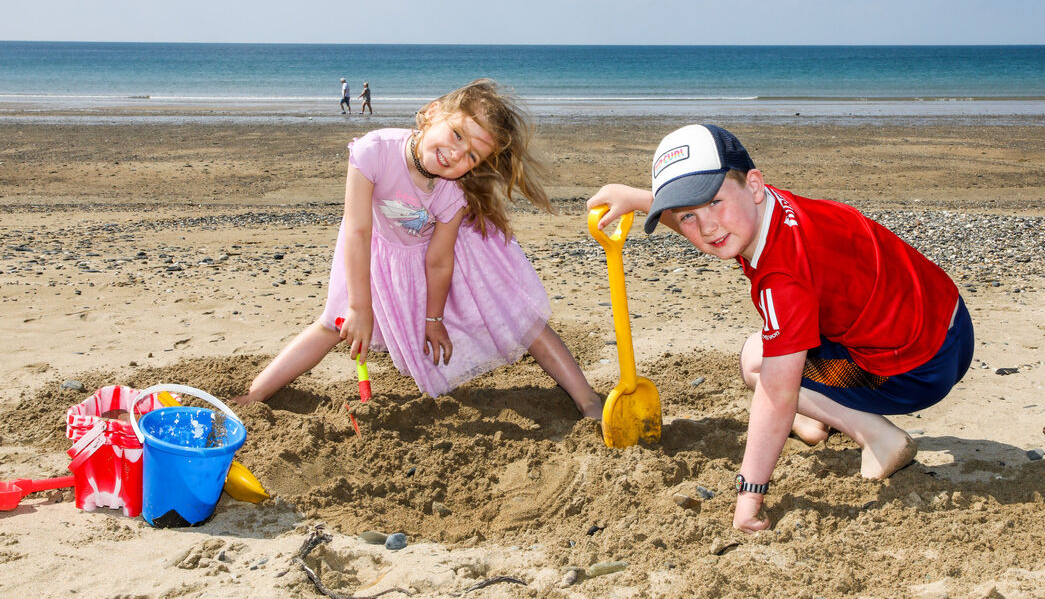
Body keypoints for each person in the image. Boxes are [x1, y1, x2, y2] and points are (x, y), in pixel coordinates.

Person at [588, 124, 973, 532]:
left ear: (753, 185)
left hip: (916, 370)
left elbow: (777, 393)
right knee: (776, 349)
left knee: (757, 364)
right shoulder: (769, 209)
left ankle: (878, 437)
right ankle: (818, 419)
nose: (707, 227)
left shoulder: (783, 278)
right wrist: (638, 200)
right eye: (687, 216)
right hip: (949, 323)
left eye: (715, 203)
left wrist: (750, 494)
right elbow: (710, 216)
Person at [236, 79, 603, 420]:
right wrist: (360, 307)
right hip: (373, 250)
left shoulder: (452, 192)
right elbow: (358, 231)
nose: (456, 155)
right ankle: (254, 396)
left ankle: (586, 398)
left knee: (515, 315)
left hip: (456, 257)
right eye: (457, 135)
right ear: (432, 113)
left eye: (472, 156)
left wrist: (434, 319)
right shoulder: (372, 152)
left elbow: (439, 262)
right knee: (335, 323)